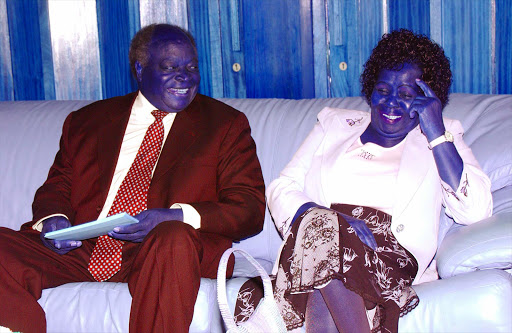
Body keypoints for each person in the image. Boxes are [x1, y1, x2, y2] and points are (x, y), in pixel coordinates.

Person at [0, 23, 265, 333]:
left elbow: (249, 208)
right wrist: (54, 219)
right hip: (84, 247)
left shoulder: (224, 125)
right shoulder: (87, 121)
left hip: (164, 250)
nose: (185, 77)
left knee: (172, 237)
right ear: (140, 70)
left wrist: (176, 216)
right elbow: (58, 185)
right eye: (170, 67)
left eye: (192, 67)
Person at [235, 29, 492, 332]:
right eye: (383, 90)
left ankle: (275, 313)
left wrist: (436, 134)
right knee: (323, 236)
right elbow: (281, 188)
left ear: (426, 99)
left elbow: (475, 210)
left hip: (386, 256)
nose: (391, 103)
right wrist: (334, 222)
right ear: (371, 89)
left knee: (323, 248)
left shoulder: (442, 134)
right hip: (317, 245)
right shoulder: (334, 124)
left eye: (407, 95)